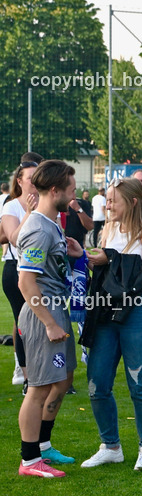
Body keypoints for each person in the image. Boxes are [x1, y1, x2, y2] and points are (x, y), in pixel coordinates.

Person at [80, 177, 142, 471]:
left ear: (133, 201)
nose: (108, 205)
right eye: (108, 199)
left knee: (140, 384)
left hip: (138, 310)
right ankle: (110, 446)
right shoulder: (109, 227)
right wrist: (85, 257)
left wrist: (109, 258)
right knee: (97, 383)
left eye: (114, 200)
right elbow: (107, 270)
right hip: (106, 310)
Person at [15, 160, 84, 477]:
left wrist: (71, 254)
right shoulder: (40, 229)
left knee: (64, 379)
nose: (74, 195)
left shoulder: (51, 224)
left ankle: (43, 445)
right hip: (44, 313)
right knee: (40, 387)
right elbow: (25, 282)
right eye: (71, 190)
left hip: (56, 308)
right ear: (55, 190)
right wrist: (49, 323)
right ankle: (30, 460)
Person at [2, 153, 42, 389]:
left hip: (41, 271)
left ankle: (45, 371)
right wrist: (29, 212)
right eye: (30, 178)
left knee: (43, 321)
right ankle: (26, 374)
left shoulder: (46, 203)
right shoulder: (11, 206)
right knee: (23, 321)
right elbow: (14, 239)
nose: (35, 182)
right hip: (16, 270)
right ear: (19, 181)